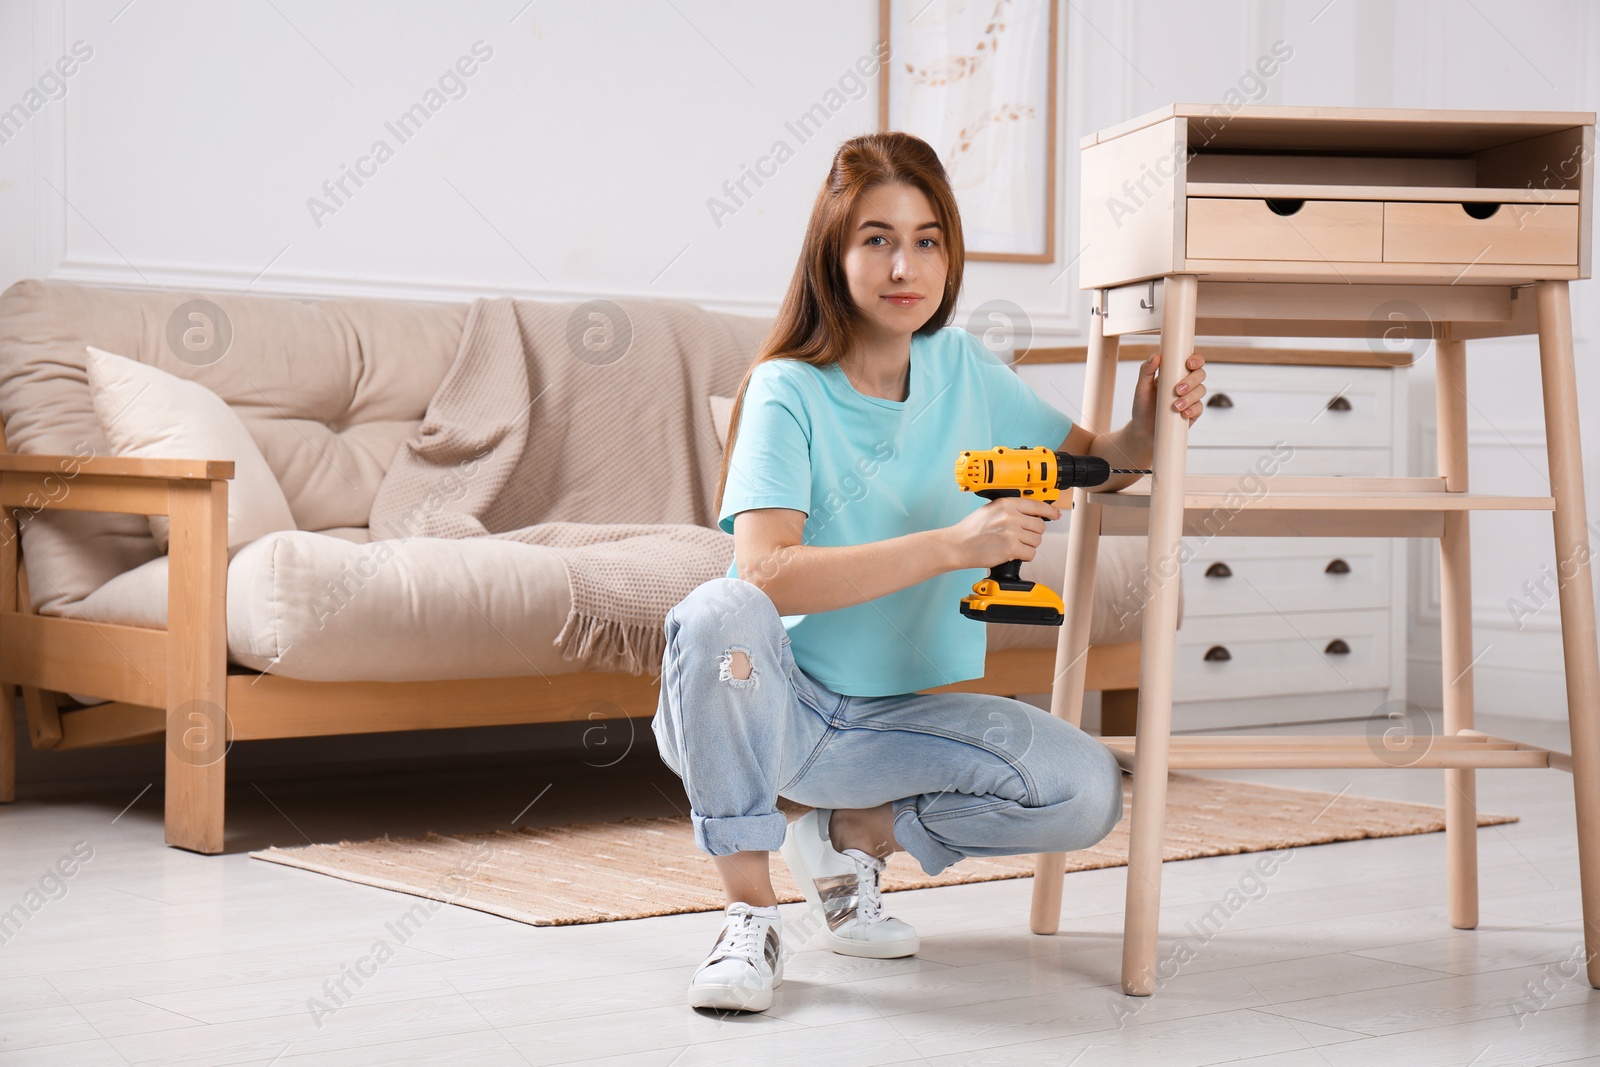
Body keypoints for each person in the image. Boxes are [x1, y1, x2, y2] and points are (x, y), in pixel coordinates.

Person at [652, 131, 1207, 1012]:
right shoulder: (785, 389)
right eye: (876, 238)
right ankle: (748, 917)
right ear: (833, 253)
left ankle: (849, 837)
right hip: (773, 704)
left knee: (1087, 789)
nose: (903, 264)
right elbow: (765, 572)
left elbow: (1093, 459)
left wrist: (1146, 428)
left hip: (891, 726)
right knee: (719, 607)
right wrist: (955, 545)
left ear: (948, 254)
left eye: (926, 239)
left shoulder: (965, 371)